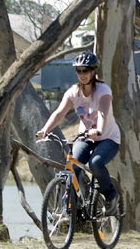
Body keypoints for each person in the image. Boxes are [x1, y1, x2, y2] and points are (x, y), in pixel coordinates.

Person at [36, 51, 121, 216]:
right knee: (73, 166)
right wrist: (45, 130)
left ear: (93, 71)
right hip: (85, 137)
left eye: (86, 70)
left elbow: (103, 112)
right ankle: (72, 209)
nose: (82, 74)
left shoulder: (103, 90)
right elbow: (59, 113)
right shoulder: (73, 92)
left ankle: (111, 196)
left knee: (95, 163)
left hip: (108, 138)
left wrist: (99, 130)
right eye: (79, 71)